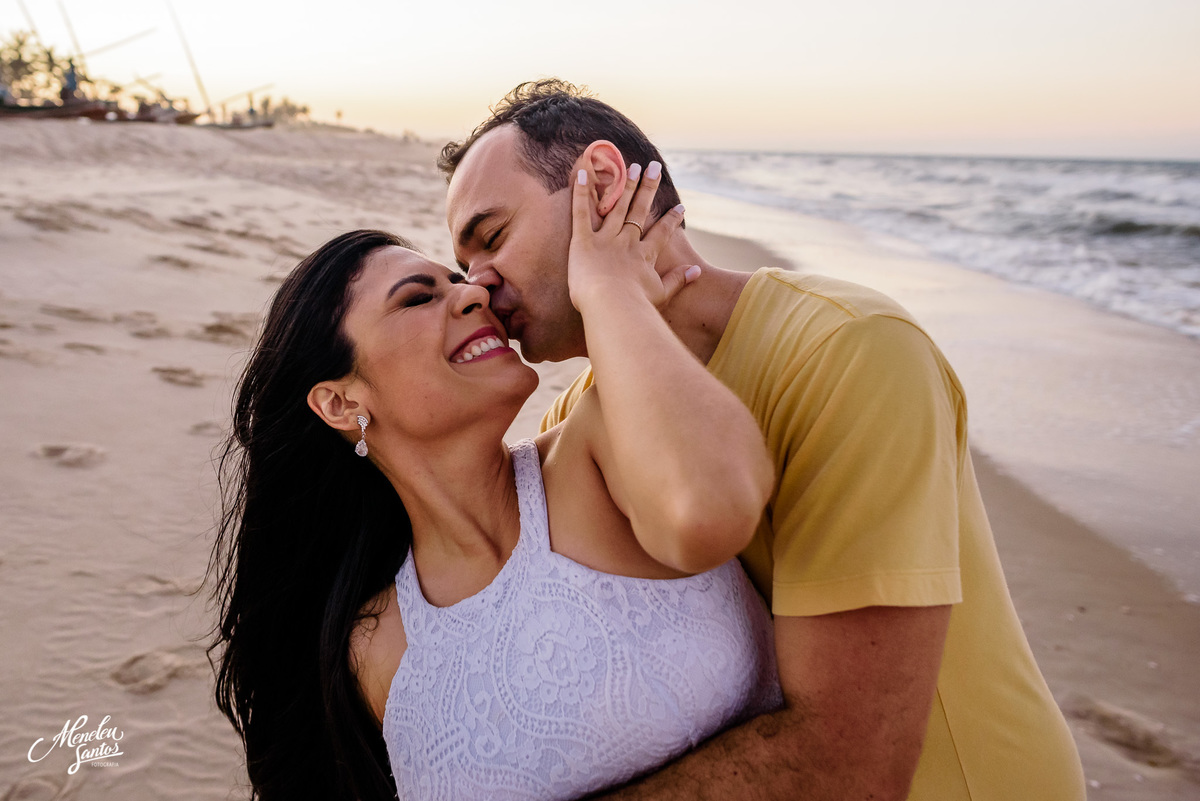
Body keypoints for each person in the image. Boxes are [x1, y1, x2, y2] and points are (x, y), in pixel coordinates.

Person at [439, 79, 1087, 800]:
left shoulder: (848, 350)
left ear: (601, 183)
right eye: (465, 266)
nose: (476, 286)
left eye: (491, 238)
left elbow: (848, 763)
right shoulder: (575, 428)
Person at [207, 172, 783, 800]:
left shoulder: (592, 453)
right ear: (342, 404)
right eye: (416, 299)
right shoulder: (371, 650)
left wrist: (613, 295)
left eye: (458, 280)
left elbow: (716, 505)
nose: (474, 293)